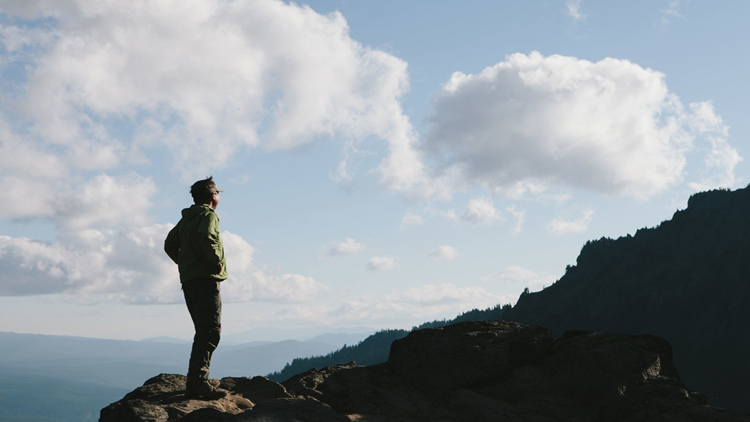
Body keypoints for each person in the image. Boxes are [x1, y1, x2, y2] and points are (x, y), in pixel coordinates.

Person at [164, 176, 228, 399]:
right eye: (218, 193)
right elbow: (208, 237)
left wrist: (185, 264)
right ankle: (198, 382)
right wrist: (216, 260)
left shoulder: (187, 219)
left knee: (202, 330)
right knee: (210, 330)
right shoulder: (207, 215)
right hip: (206, 279)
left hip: (190, 280)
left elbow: (170, 244)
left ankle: (197, 379)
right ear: (213, 196)